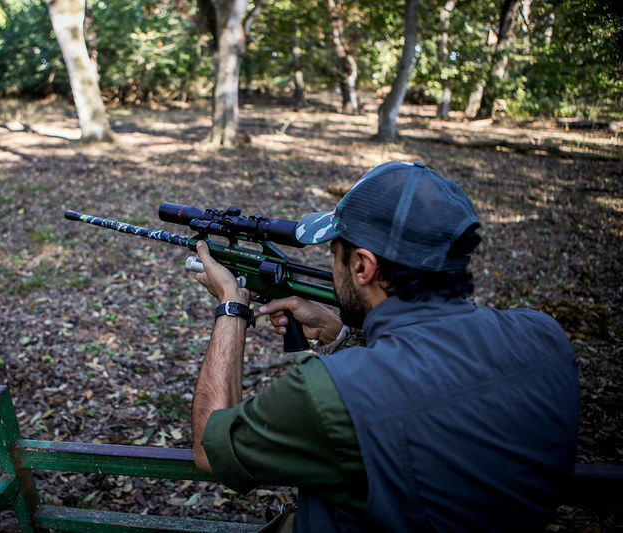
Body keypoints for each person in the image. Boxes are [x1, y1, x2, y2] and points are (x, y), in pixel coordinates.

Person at [191, 161, 580, 532]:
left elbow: (211, 448)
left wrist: (231, 304)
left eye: (334, 253)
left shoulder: (327, 392)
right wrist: (343, 335)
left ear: (362, 266)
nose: (333, 265)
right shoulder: (545, 337)